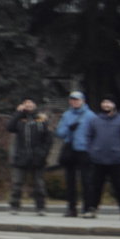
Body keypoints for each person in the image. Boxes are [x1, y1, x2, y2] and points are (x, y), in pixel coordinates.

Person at [8, 98, 53, 212]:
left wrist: (43, 153)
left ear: (35, 105)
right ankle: (14, 206)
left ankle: (40, 207)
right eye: (26, 103)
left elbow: (48, 139)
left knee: (38, 184)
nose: (28, 105)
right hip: (21, 155)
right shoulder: (19, 118)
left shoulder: (41, 119)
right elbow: (9, 127)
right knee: (17, 183)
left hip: (37, 156)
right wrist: (18, 113)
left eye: (30, 103)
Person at [53, 90, 93, 218]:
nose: (74, 102)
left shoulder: (90, 116)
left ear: (83, 101)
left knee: (86, 180)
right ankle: (71, 208)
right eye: (72, 99)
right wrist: (69, 128)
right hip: (70, 150)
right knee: (70, 181)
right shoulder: (67, 114)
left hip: (84, 151)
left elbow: (95, 134)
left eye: (77, 99)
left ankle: (87, 207)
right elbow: (60, 133)